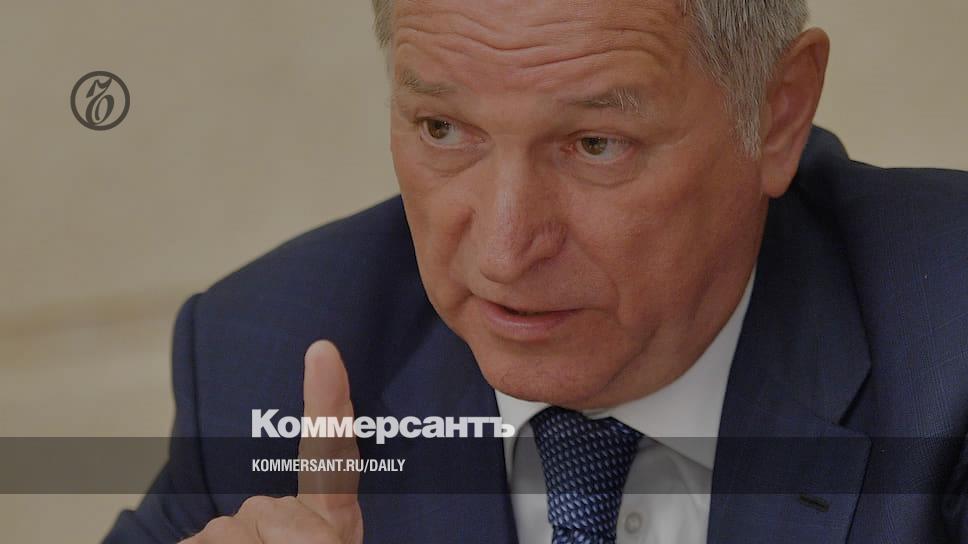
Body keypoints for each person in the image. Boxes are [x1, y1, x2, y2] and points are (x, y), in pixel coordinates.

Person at [104, 0, 968, 542]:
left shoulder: (948, 341)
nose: (504, 250)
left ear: (777, 113)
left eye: (595, 144)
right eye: (443, 129)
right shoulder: (261, 358)